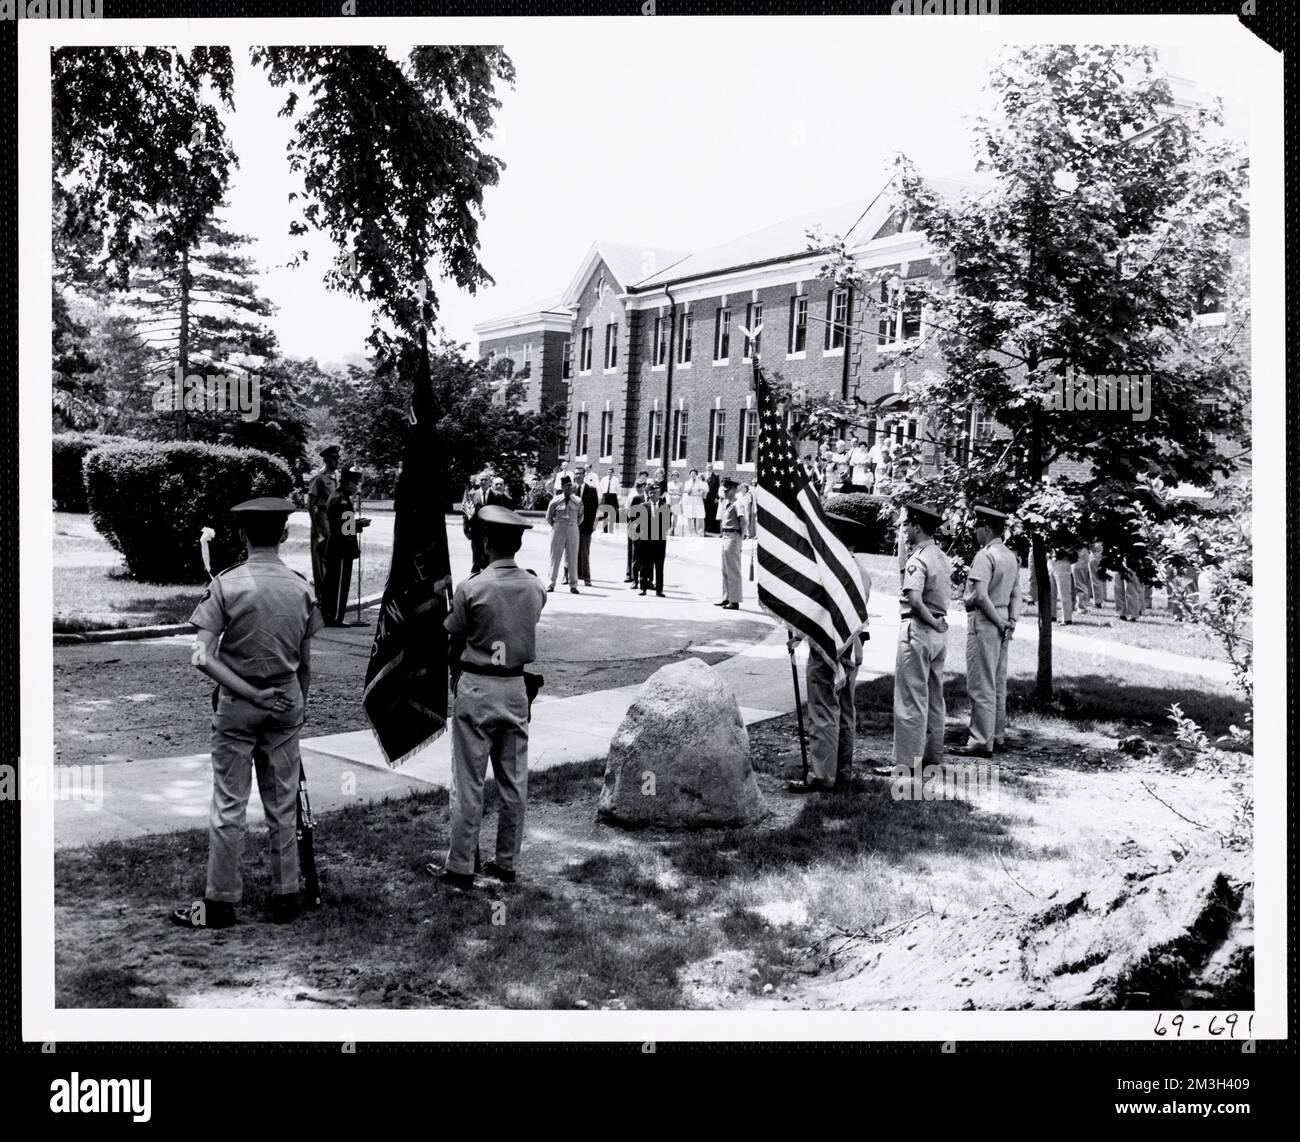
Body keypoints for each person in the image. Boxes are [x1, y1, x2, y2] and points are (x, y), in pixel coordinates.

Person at [172, 497, 324, 928]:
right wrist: (299, 707)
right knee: (283, 804)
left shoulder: (226, 584)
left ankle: (219, 903)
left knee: (229, 804)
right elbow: (308, 662)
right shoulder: (301, 587)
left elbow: (202, 657)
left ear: (241, 536)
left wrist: (249, 695)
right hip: (286, 701)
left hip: (239, 705)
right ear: (284, 534)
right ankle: (286, 896)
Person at [429, 504, 548, 891]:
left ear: (485, 542)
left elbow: (454, 635)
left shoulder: (472, 587)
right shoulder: (534, 586)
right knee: (514, 782)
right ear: (516, 543)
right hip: (514, 687)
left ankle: (461, 865)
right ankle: (506, 863)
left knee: (468, 781)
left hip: (478, 685)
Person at [787, 514, 873, 794]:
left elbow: (819, 612)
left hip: (828, 649)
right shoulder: (861, 571)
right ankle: (842, 771)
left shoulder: (831, 571)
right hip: (853, 647)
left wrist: (798, 635)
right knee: (845, 711)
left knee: (824, 710)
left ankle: (823, 775)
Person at [954, 506, 1020, 759]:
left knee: (981, 683)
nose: (974, 533)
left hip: (986, 620)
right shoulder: (1010, 555)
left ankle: (981, 740)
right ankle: (996, 735)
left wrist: (999, 622)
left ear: (985, 528)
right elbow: (1016, 593)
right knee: (997, 682)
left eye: (976, 528)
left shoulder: (985, 556)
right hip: (1003, 616)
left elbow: (980, 597)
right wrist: (1011, 620)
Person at [892, 502, 951, 769]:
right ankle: (932, 756)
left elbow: (914, 600)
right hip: (938, 632)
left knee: (910, 700)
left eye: (906, 525)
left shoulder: (918, 558)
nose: (903, 530)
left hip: (919, 628)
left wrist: (931, 622)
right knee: (934, 696)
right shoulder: (941, 556)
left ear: (917, 526)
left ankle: (906, 763)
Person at [322, 467, 370, 625]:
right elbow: (346, 528)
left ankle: (330, 615)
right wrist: (360, 524)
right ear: (348, 483)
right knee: (339, 583)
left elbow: (343, 523)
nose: (356, 487)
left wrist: (356, 523)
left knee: (333, 582)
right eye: (355, 484)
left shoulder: (337, 496)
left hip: (337, 545)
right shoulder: (342, 500)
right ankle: (335, 617)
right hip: (341, 548)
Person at [306, 444, 340, 601]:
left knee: (334, 556)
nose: (337, 461)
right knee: (322, 558)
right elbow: (310, 503)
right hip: (322, 518)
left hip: (335, 520)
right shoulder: (318, 478)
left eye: (337, 458)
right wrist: (315, 526)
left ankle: (331, 596)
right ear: (326, 459)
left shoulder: (336, 477)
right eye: (334, 458)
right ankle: (322, 597)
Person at [631, 481, 671, 597]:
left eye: (657, 492)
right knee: (644, 565)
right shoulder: (643, 506)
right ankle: (643, 587)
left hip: (659, 541)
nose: (654, 494)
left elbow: (667, 524)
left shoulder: (665, 507)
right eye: (652, 492)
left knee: (659, 566)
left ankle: (659, 589)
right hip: (645, 540)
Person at [545, 475, 583, 593]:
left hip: (572, 529)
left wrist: (573, 525)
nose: (569, 488)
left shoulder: (577, 500)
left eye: (570, 485)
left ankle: (573, 585)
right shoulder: (555, 500)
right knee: (555, 557)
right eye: (566, 486)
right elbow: (549, 517)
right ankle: (551, 583)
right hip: (558, 529)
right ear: (562, 487)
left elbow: (580, 517)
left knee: (573, 557)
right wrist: (557, 526)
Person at [715, 477, 743, 609]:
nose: (725, 492)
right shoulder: (727, 504)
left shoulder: (738, 504)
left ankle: (735, 600)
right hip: (726, 536)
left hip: (733, 535)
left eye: (727, 489)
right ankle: (726, 597)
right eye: (724, 489)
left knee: (733, 570)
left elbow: (743, 522)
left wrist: (740, 537)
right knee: (725, 569)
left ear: (733, 490)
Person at [575, 466, 599, 587]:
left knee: (584, 552)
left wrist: (592, 524)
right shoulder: (571, 490)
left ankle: (586, 577)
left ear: (584, 475)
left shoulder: (591, 490)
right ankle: (569, 575)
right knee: (571, 552)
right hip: (572, 526)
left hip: (586, 526)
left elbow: (594, 509)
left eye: (580, 474)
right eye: (576, 474)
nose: (577, 476)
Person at [465, 471, 493, 574]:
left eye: (486, 479)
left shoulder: (496, 495)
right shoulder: (472, 495)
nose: (484, 481)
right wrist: (466, 529)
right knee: (477, 557)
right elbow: (466, 513)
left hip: (491, 532)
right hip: (476, 531)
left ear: (489, 482)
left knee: (489, 557)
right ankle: (474, 577)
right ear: (478, 482)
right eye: (481, 479)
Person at [1052, 548, 1077, 624]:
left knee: (1064, 592)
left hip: (1062, 560)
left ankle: (1067, 618)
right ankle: (1051, 615)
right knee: (1051, 591)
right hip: (1051, 561)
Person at [682, 468, 707, 536]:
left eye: (694, 474)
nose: (693, 475)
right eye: (692, 474)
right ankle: (690, 532)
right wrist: (693, 485)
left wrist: (695, 493)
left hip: (698, 501)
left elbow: (701, 493)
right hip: (690, 501)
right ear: (690, 475)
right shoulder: (687, 482)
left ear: (696, 475)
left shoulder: (700, 482)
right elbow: (688, 492)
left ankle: (699, 532)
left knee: (699, 516)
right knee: (689, 516)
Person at [598, 467, 622, 533]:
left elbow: (618, 490)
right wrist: (601, 497)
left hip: (612, 496)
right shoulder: (604, 479)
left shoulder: (616, 480)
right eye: (608, 472)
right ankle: (604, 529)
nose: (609, 473)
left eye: (611, 472)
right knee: (605, 514)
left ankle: (611, 530)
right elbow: (601, 488)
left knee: (612, 514)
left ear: (613, 473)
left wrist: (617, 498)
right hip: (605, 496)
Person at [1071, 546, 1093, 615]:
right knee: (1075, 583)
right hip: (1078, 554)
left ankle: (1082, 608)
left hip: (1080, 554)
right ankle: (1074, 606)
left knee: (1080, 583)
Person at [1088, 541, 1108, 607]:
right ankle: (1103, 597)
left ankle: (1098, 601)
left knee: (1095, 578)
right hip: (1103, 551)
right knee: (1101, 577)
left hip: (1096, 551)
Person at [704, 470, 721, 535]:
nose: (709, 468)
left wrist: (717, 497)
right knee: (705, 512)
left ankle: (711, 528)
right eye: (708, 467)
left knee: (712, 512)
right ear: (706, 468)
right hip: (705, 497)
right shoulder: (703, 475)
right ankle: (705, 528)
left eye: (710, 467)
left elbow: (717, 487)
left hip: (713, 497)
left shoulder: (716, 476)